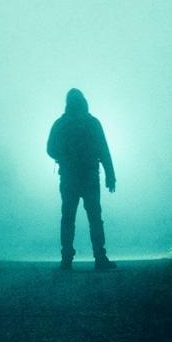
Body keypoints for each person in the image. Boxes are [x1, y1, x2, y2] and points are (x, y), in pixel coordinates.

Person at [46, 88, 117, 271]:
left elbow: (50, 149)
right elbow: (104, 150)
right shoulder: (92, 123)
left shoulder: (60, 123)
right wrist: (111, 176)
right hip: (90, 177)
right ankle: (100, 258)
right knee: (95, 217)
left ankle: (66, 260)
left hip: (68, 178)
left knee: (68, 218)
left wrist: (64, 156)